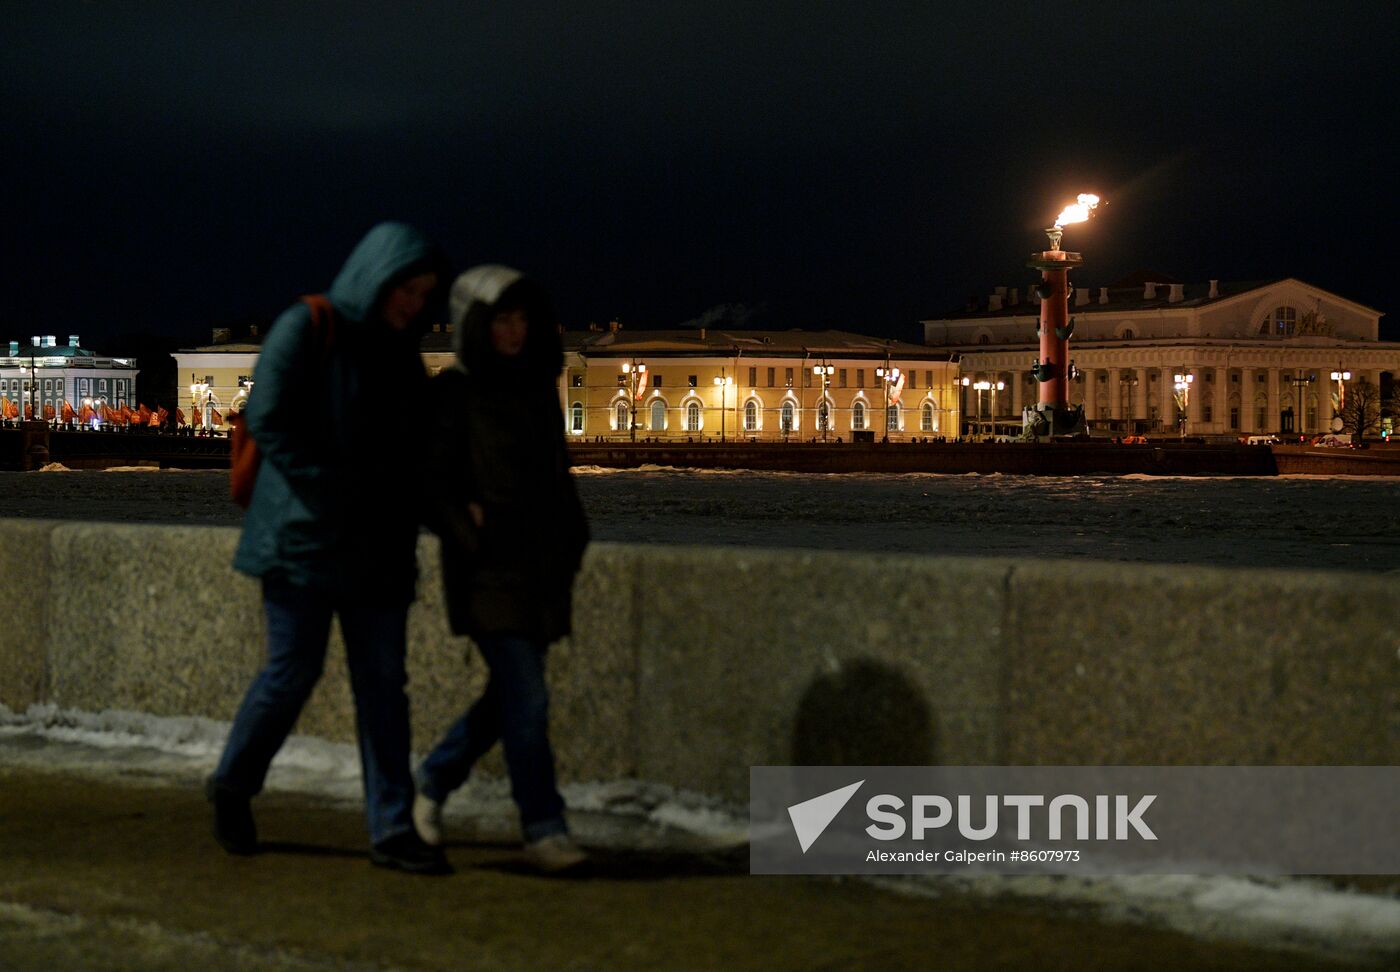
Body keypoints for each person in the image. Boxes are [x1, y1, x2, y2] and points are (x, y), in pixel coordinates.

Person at [207, 222, 451, 875]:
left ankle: (392, 829)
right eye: (407, 289)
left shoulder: (403, 353)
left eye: (424, 295)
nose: (413, 304)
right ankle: (233, 784)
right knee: (291, 673)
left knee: (383, 687)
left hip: (377, 546)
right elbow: (268, 421)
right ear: (378, 275)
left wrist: (448, 511)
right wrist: (335, 487)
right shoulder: (307, 326)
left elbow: (414, 454)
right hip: (303, 538)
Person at [413, 264, 590, 873]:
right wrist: (466, 529)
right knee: (528, 695)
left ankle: (430, 783)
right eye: (501, 320)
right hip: (485, 570)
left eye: (522, 319)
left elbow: (558, 479)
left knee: (510, 697)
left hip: (538, 567)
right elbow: (429, 482)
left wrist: (573, 539)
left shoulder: (538, 389)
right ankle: (544, 826)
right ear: (476, 324)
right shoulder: (455, 392)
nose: (513, 332)